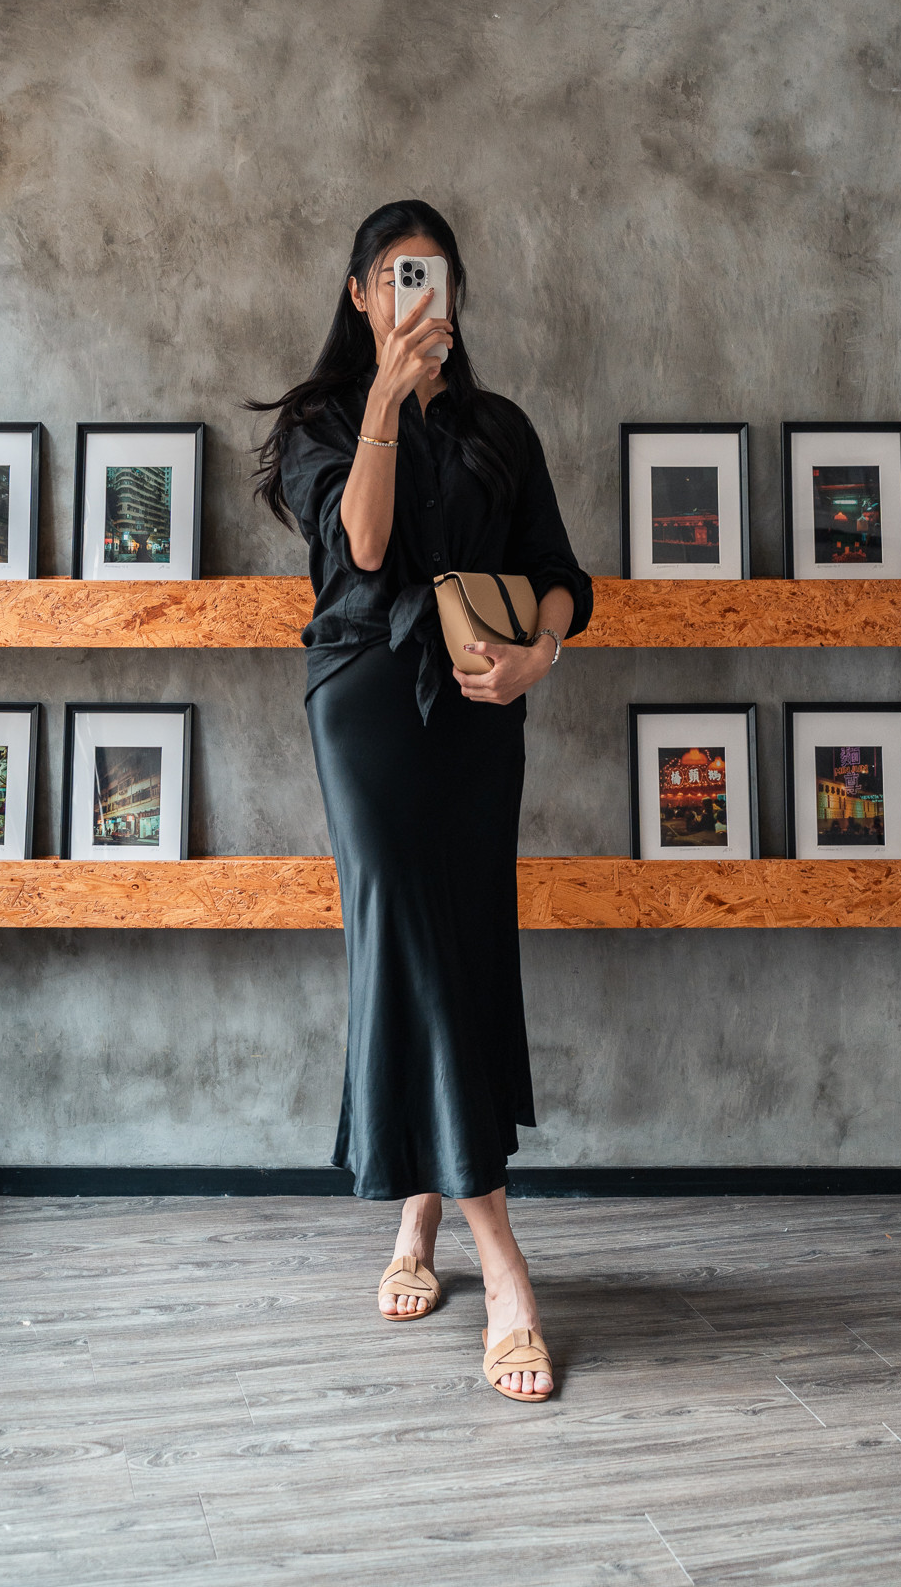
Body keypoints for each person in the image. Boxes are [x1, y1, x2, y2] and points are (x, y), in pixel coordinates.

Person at [250, 199, 592, 1402]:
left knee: (452, 946)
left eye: (434, 278)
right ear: (359, 294)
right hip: (363, 704)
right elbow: (363, 538)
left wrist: (535, 661)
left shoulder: (502, 426)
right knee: (404, 929)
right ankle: (501, 1259)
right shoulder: (318, 423)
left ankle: (413, 1218)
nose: (415, 296)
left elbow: (559, 575)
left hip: (482, 709)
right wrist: (387, 400)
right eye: (396, 277)